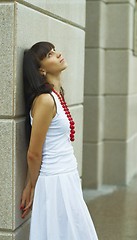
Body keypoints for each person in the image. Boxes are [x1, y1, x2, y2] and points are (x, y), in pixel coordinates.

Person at [20, 41, 98, 240]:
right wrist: (34, 186)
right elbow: (34, 152)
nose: (58, 54)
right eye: (49, 55)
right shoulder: (46, 100)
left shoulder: (55, 96)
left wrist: (30, 183)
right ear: (41, 70)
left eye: (54, 51)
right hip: (55, 181)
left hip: (66, 175)